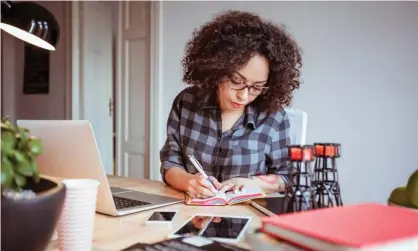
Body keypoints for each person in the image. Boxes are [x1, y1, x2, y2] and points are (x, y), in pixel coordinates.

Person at [159, 10, 302, 200]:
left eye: (256, 87)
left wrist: (251, 183)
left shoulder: (273, 116)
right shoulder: (187, 103)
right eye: (236, 81)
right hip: (191, 212)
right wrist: (189, 182)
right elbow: (170, 163)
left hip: (247, 218)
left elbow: (286, 177)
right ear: (217, 69)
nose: (243, 95)